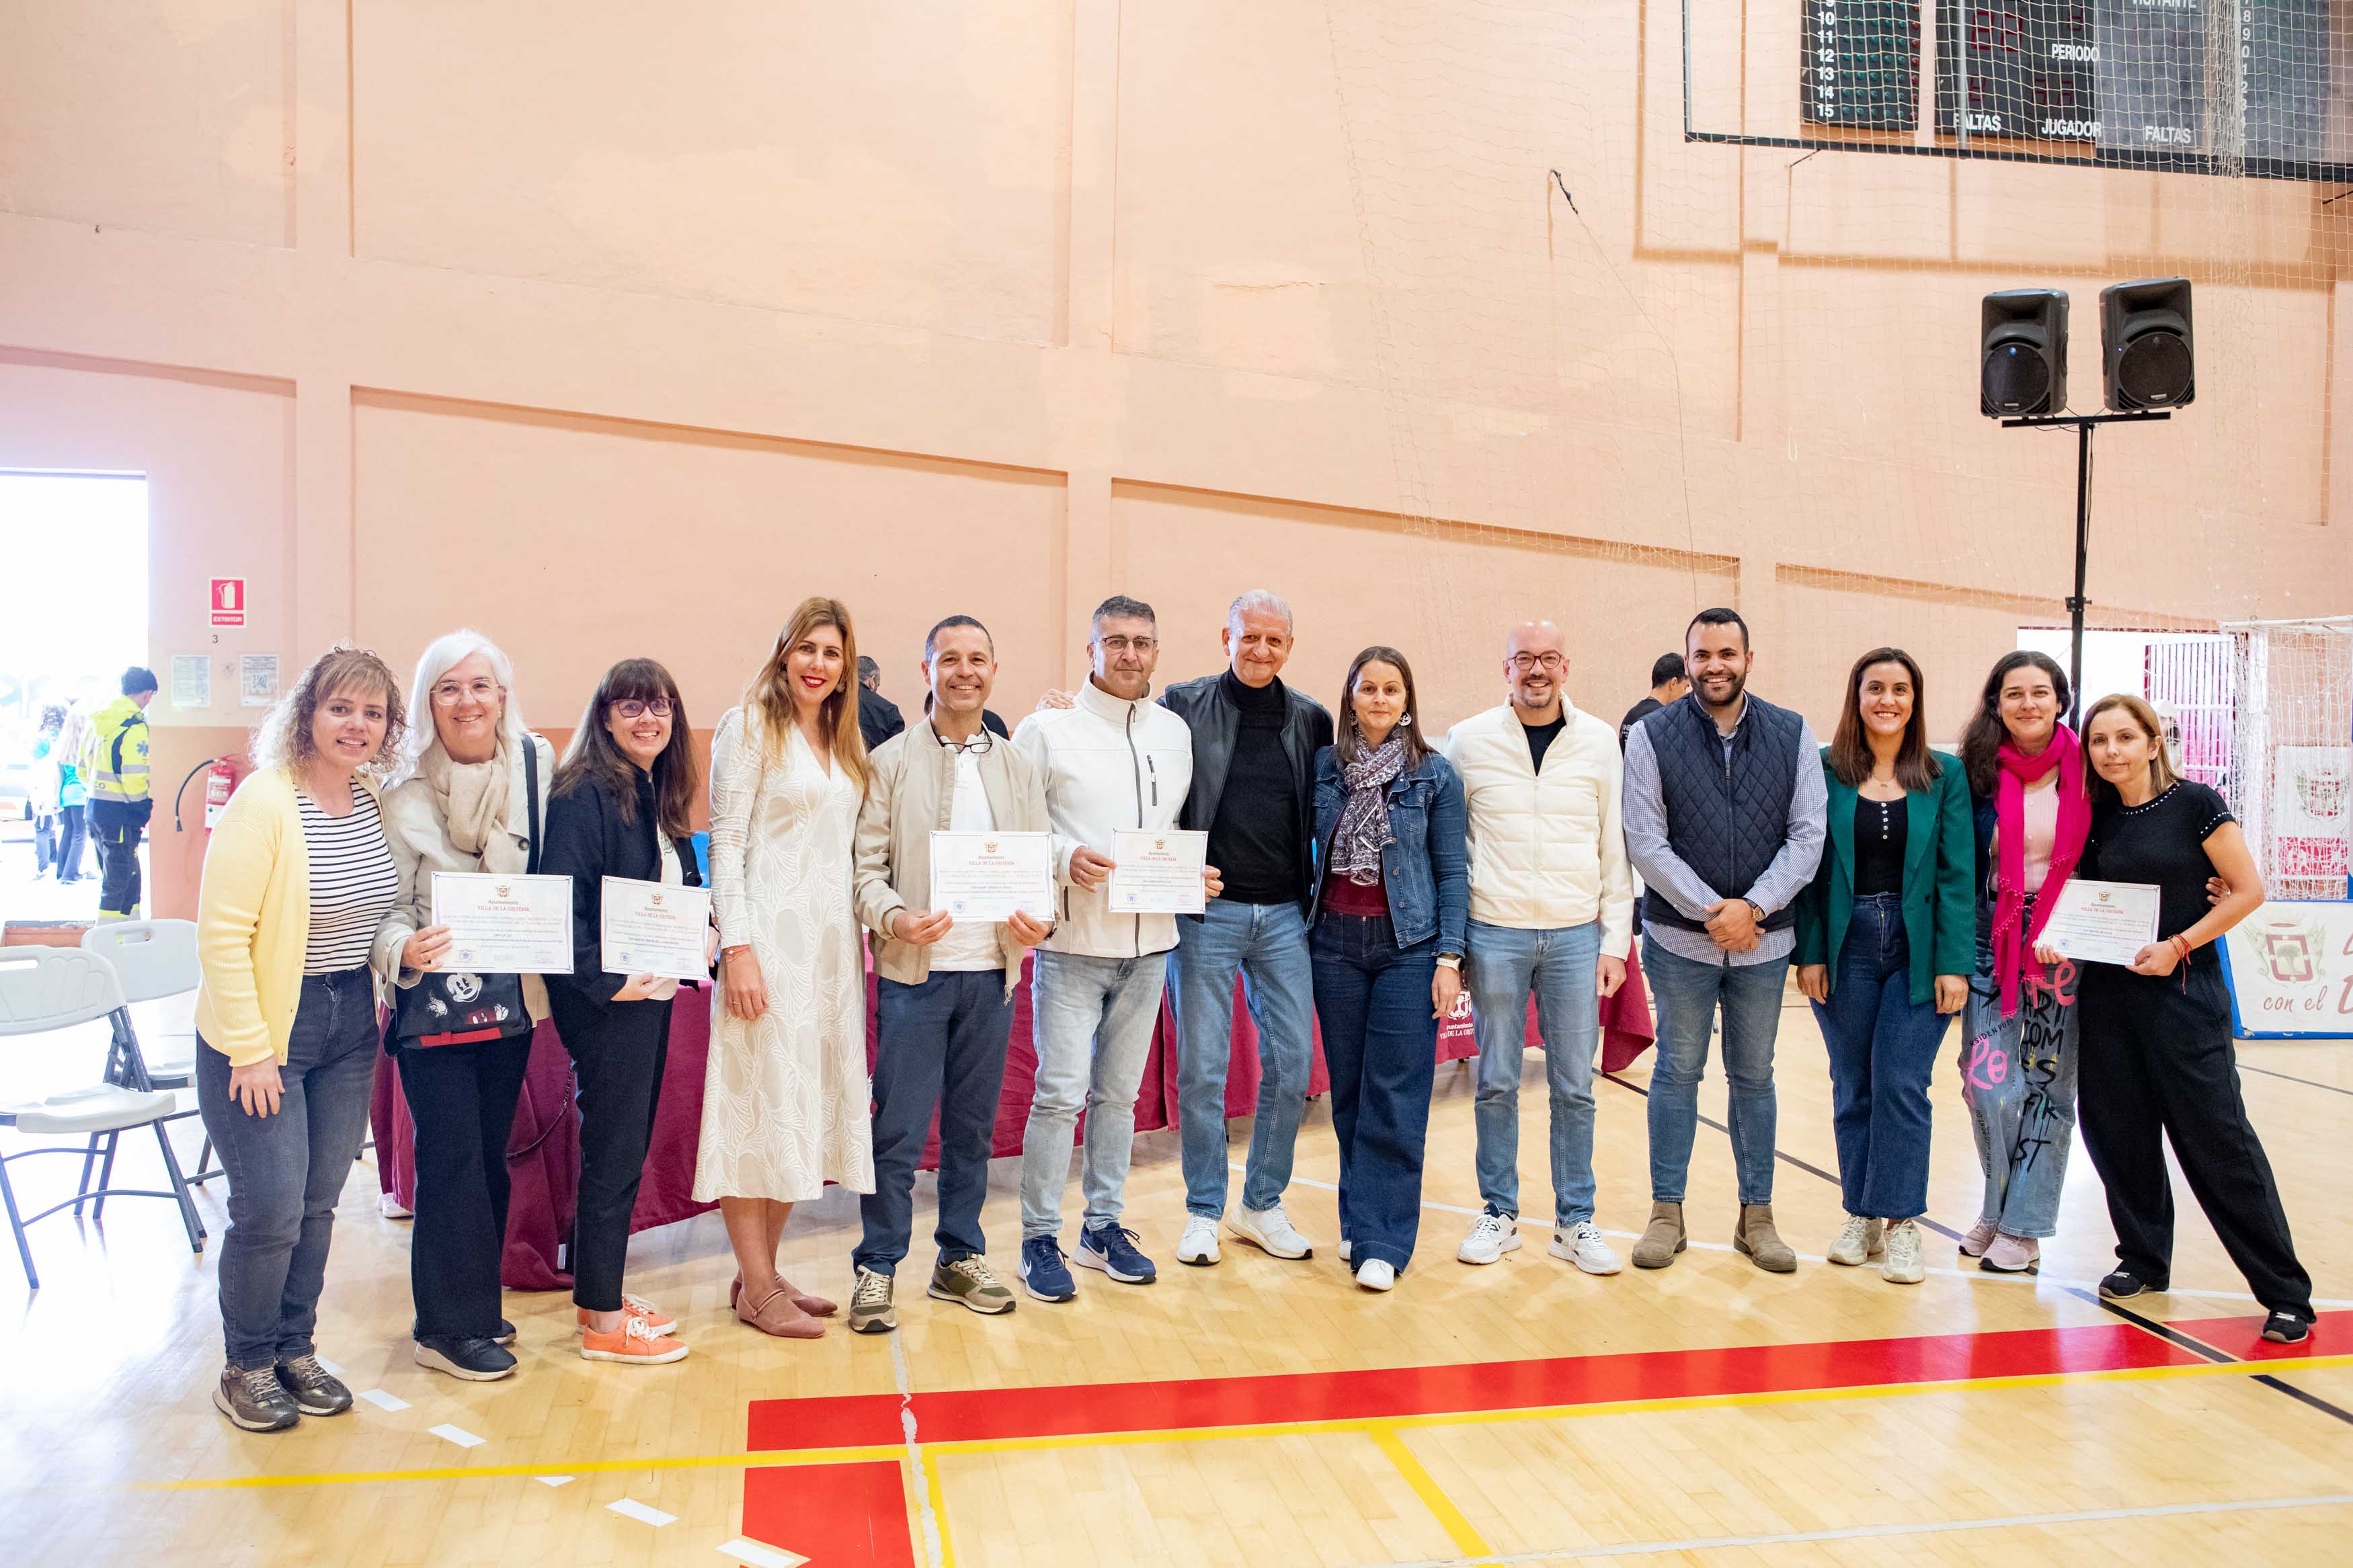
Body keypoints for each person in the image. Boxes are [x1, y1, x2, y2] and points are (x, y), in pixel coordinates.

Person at [193, 647, 407, 1431]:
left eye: (373, 712)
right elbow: (221, 935)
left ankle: (294, 1348)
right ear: (307, 713)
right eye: (340, 707)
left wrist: (403, 948)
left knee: (318, 1204)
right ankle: (245, 1364)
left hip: (350, 1018)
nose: (356, 724)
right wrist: (250, 1047)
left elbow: (375, 909)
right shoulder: (265, 801)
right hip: (265, 1027)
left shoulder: (373, 798)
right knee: (271, 1208)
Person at [2066, 694, 2314, 1342]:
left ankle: (2286, 1293)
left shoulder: (2197, 803)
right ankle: (2144, 1260)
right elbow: (2087, 899)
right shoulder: (2095, 815)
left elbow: (2248, 890)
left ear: (2154, 743)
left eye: (2126, 737)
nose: (2111, 750)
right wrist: (2060, 937)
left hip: (2184, 995)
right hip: (2110, 999)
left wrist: (2179, 945)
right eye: (2099, 740)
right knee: (2118, 1134)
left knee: (2218, 1143)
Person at [848, 616, 1053, 1333]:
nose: (964, 671)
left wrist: (1042, 920)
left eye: (977, 659)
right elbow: (864, 871)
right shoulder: (889, 761)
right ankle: (877, 1263)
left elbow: (1038, 862)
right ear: (927, 670)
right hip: (915, 974)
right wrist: (895, 918)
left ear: (994, 669)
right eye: (950, 659)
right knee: (898, 1132)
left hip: (992, 975)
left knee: (971, 1130)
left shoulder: (1017, 766)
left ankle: (959, 1257)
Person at [1008, 595, 1210, 1302]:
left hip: (1151, 945)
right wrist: (1063, 858)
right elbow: (1019, 826)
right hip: (1073, 944)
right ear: (1091, 648)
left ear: (1156, 651)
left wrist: (1190, 874)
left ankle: (1101, 1227)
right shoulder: (1046, 729)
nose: (1129, 653)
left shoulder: (1174, 731)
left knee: (1118, 1097)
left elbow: (1171, 829)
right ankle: (1038, 1236)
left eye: (1142, 642)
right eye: (1115, 641)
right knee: (1059, 1095)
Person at [370, 632, 554, 1381]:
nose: (467, 701)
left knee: (489, 1156)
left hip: (511, 1001)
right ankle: (444, 1326)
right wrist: (403, 948)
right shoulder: (400, 795)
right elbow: (381, 908)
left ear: (503, 696)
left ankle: (475, 1301)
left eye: (481, 685)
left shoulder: (536, 769)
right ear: (428, 702)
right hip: (433, 1004)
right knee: (450, 1162)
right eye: (449, 688)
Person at [1621, 608, 1825, 1272]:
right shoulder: (1650, 735)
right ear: (1687, 662)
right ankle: (1666, 1212)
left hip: (1764, 945)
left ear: (1748, 659)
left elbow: (1807, 836)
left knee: (1754, 1077)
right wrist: (1715, 912)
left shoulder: (1793, 732)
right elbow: (1645, 841)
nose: (1714, 665)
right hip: (1680, 943)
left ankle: (1756, 1215)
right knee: (1677, 1071)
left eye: (1726, 653)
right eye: (1702, 654)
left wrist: (1755, 907)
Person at [695, 598, 873, 1340]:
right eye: (806, 649)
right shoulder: (748, 725)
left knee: (799, 1108)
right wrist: (737, 947)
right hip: (766, 946)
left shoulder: (841, 737)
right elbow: (725, 845)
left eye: (831, 653)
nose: (817, 664)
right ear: (783, 653)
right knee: (754, 1107)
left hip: (828, 955)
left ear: (845, 666)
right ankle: (758, 1283)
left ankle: (760, 1274)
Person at [1442, 622, 1634, 1275]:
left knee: (1574, 1086)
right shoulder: (1468, 740)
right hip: (1493, 932)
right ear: (1506, 669)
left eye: (1548, 657)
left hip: (1576, 935)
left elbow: (1614, 845)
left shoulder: (1599, 741)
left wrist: (1614, 942)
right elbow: (1451, 847)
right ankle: (1498, 1211)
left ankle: (1574, 1219)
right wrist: (1455, 944)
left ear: (1566, 667)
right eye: (1523, 658)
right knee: (1495, 1080)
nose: (1536, 669)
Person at [1162, 589, 1335, 1267]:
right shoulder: (1181, 705)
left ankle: (1260, 1202)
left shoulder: (1311, 719)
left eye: (1273, 639)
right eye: (1249, 636)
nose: (1260, 649)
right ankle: (1203, 1209)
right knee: (1203, 1071)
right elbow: (1128, 743)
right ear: (1226, 637)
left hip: (1286, 915)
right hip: (1207, 915)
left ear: (1289, 646)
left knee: (1292, 1064)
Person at [1792, 648, 1972, 1286]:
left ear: (1914, 700)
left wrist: (1953, 962)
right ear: (1857, 696)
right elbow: (1810, 869)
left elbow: (1957, 875)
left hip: (1917, 948)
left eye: (1900, 689)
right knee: (1853, 1083)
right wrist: (1811, 951)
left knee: (1900, 1080)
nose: (1887, 700)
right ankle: (1861, 1215)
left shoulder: (1944, 774)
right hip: (1846, 945)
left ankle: (1901, 1224)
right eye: (1875, 688)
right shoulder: (1822, 769)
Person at [542, 659, 703, 1365]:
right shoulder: (583, 792)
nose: (648, 718)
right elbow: (563, 907)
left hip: (649, 995)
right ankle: (605, 1325)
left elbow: (673, 890)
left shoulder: (654, 789)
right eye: (632, 706)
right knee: (612, 1156)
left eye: (660, 706)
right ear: (605, 716)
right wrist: (609, 984)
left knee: (622, 1150)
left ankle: (597, 1294)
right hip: (611, 1004)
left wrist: (703, 933)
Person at [1310, 647, 1467, 1292]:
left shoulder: (1435, 774)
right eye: (1368, 688)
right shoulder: (1325, 768)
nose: (1379, 698)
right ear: (1350, 697)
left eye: (1391, 689)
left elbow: (1453, 871)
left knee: (1396, 1096)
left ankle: (1384, 1241)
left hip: (1409, 946)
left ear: (1407, 701)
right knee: (1349, 1093)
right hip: (1333, 945)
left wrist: (1450, 957)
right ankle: (1360, 1218)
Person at [1954, 650, 2087, 1276]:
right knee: (1987, 1083)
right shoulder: (1976, 773)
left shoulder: (2089, 774)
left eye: (2040, 691)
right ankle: (1999, 1203)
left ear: (2060, 700)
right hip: (1993, 935)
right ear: (1997, 704)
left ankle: (2021, 1225)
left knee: (2048, 1086)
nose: (2028, 703)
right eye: (2014, 693)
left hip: (2063, 943)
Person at [83, 665, 159, 919]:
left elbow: (82, 768)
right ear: (147, 694)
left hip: (95, 808)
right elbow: (135, 775)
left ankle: (131, 927)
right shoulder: (134, 726)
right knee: (118, 878)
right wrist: (141, 806)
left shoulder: (98, 721)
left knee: (122, 871)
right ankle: (108, 935)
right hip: (121, 812)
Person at [54, 698, 91, 882]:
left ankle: (61, 871)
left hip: (66, 793)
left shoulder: (64, 744)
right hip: (80, 793)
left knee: (68, 831)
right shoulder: (84, 744)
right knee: (80, 833)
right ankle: (71, 873)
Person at [1620, 653, 1689, 750]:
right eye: (1685, 688)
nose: (1685, 695)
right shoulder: (1664, 720)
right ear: (1673, 683)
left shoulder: (1630, 716)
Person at [28, 704, 65, 879]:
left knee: (41, 827)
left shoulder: (41, 738)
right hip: (60, 787)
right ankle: (58, 861)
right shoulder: (63, 736)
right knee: (58, 827)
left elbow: (34, 765)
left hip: (43, 786)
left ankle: (43, 868)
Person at [857, 654, 906, 753]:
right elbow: (896, 755)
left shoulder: (832, 701)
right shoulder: (889, 711)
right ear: (872, 681)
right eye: (877, 685)